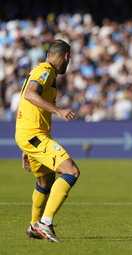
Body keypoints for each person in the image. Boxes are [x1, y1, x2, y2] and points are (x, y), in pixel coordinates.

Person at [15, 39, 80, 242]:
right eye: (69, 59)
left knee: (45, 181)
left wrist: (28, 146)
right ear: (66, 57)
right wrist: (59, 110)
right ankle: (45, 223)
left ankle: (34, 226)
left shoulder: (42, 70)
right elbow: (29, 94)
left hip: (31, 135)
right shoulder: (46, 70)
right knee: (71, 171)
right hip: (33, 135)